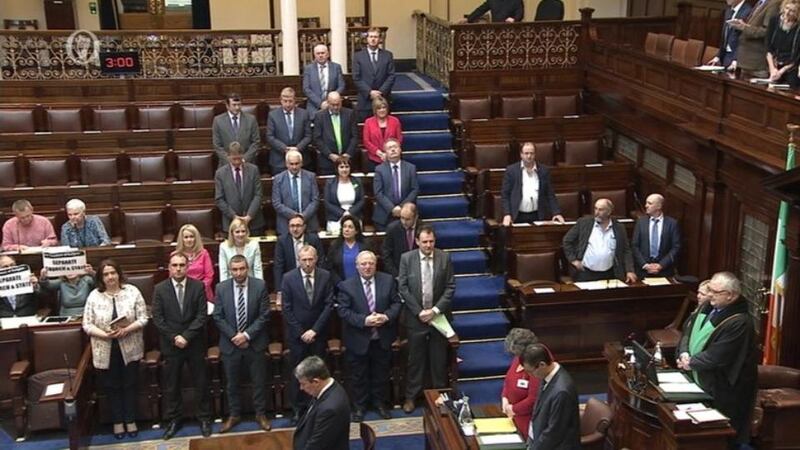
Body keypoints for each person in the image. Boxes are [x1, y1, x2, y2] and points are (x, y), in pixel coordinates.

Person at [676, 272, 758, 448]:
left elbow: (719, 355)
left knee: (720, 436)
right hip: (698, 375)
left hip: (723, 387)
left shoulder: (740, 322)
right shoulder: (706, 307)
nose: (710, 294)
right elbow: (687, 332)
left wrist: (691, 363)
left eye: (715, 292)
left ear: (731, 296)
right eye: (710, 290)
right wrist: (683, 353)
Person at [82, 259, 148, 440]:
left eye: (113, 273)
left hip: (130, 346)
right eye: (106, 274)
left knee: (130, 384)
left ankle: (130, 419)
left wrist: (127, 329)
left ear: (119, 274)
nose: (110, 277)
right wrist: (104, 335)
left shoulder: (132, 291)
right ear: (101, 278)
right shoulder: (94, 296)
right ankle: (118, 421)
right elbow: (87, 324)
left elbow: (144, 318)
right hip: (105, 348)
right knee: (112, 386)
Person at [152, 253, 212, 440]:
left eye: (182, 265)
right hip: (171, 345)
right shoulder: (160, 289)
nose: (178, 269)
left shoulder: (198, 286)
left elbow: (202, 315)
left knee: (201, 383)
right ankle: (174, 420)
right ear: (169, 267)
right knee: (172, 385)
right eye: (175, 265)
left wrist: (186, 336)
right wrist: (174, 337)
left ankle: (204, 418)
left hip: (194, 343)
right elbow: (158, 318)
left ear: (187, 267)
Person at [337, 250, 401, 422]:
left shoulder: (388, 280)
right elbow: (343, 311)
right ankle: (359, 407)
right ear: (357, 266)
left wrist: (386, 316)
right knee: (358, 375)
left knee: (381, 373)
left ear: (376, 264)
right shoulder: (346, 286)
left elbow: (396, 303)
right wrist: (364, 320)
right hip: (358, 338)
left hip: (382, 337)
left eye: (370, 263)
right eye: (363, 264)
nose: (367, 267)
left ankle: (380, 404)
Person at [398, 225, 455, 414]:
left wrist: (435, 310)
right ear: (417, 241)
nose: (428, 245)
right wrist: (419, 312)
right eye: (425, 242)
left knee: (439, 360)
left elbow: (450, 287)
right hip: (416, 319)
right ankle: (411, 397)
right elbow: (403, 287)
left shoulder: (444, 257)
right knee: (415, 360)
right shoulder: (407, 259)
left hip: (438, 317)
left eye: (431, 241)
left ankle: (440, 396)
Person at [212, 255, 272, 433]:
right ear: (230, 270)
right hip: (230, 344)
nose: (238, 273)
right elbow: (218, 316)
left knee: (259, 381)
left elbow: (264, 315)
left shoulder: (259, 286)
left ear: (248, 268)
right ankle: (234, 415)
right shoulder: (221, 288)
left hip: (255, 342)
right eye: (235, 269)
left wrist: (246, 335)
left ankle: (260, 414)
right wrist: (234, 336)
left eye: (242, 269)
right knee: (232, 383)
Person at [280, 246, 335, 424]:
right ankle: (298, 408)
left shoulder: (325, 276)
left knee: (318, 373)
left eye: (311, 259)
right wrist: (301, 332)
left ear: (316, 258)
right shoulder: (288, 278)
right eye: (304, 260)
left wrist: (314, 330)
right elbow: (286, 308)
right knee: (298, 373)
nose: (308, 263)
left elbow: (328, 305)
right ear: (299, 260)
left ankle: (319, 406)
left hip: (318, 334)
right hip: (297, 336)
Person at [562, 198, 636, 283]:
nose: (596, 212)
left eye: (600, 210)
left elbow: (626, 250)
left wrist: (629, 270)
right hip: (586, 273)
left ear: (609, 212)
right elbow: (567, 240)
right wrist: (573, 260)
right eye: (595, 208)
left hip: (610, 274)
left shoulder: (619, 227)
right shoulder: (584, 223)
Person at [522, 343, 580, 450]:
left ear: (542, 365)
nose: (529, 375)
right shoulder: (547, 377)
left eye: (530, 371)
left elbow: (554, 432)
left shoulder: (562, 391)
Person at [292, 356, 351, 450]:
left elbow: (317, 445)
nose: (301, 388)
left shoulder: (330, 409)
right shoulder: (328, 387)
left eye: (303, 384)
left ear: (316, 382)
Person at [501, 142, 565, 226]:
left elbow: (550, 194)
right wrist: (507, 214)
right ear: (521, 154)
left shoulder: (544, 171)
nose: (529, 156)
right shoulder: (512, 171)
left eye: (531, 153)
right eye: (526, 153)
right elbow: (505, 195)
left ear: (535, 154)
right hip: (517, 216)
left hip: (538, 215)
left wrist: (556, 213)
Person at [214, 141, 265, 236]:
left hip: (253, 223)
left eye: (239, 158)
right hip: (231, 223)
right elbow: (219, 199)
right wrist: (234, 216)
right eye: (234, 159)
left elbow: (258, 195)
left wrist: (249, 216)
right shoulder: (220, 174)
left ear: (243, 155)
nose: (237, 162)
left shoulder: (253, 170)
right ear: (228, 156)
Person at [501, 328, 543, 440]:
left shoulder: (536, 367)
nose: (517, 357)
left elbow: (534, 399)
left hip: (528, 421)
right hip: (511, 416)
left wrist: (514, 409)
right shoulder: (519, 357)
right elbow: (508, 380)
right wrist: (505, 398)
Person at [372, 139, 419, 231]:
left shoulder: (411, 168)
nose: (393, 149)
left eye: (395, 147)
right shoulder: (379, 169)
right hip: (385, 215)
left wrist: (402, 207)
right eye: (389, 148)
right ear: (385, 152)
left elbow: (415, 190)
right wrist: (392, 208)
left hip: (407, 214)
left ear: (400, 150)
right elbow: (378, 193)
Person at [631, 194, 681, 279]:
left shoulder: (672, 224)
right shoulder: (641, 222)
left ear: (659, 206)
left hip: (665, 271)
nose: (646, 206)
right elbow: (634, 245)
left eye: (649, 203)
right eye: (646, 203)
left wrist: (661, 265)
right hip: (643, 271)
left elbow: (676, 247)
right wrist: (644, 265)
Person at [727, 0, 781, 78]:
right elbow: (753, 25)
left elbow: (767, 31)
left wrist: (744, 27)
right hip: (746, 60)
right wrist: (743, 24)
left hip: (756, 62)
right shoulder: (760, 2)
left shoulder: (774, 4)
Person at [273, 214, 324, 296]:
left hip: (311, 278)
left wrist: (320, 282)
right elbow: (278, 266)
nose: (295, 229)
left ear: (304, 227)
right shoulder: (282, 241)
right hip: (290, 281)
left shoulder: (313, 239)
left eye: (298, 226)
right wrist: (279, 290)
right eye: (292, 226)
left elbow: (321, 261)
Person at [352, 28, 396, 122]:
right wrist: (369, 92)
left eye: (375, 37)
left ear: (380, 39)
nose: (373, 39)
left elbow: (391, 76)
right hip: (365, 100)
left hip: (383, 100)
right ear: (367, 39)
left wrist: (381, 92)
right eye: (371, 36)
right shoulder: (358, 56)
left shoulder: (388, 55)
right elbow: (356, 77)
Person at [272, 150, 320, 235]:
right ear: (286, 164)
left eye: (297, 163)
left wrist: (303, 216)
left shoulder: (310, 177)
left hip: (309, 223)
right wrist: (295, 215)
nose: (294, 167)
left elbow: (315, 200)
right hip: (286, 225)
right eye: (291, 164)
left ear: (301, 163)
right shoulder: (278, 179)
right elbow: (277, 203)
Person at [267, 87, 313, 174]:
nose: (288, 104)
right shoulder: (273, 115)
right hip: (279, 161)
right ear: (281, 100)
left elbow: (308, 136)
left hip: (301, 159)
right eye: (285, 101)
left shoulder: (304, 114)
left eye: (290, 101)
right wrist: (285, 149)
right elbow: (270, 137)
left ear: (295, 100)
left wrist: (297, 148)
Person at [313, 92, 359, 176]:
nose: (336, 107)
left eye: (338, 104)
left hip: (347, 162)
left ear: (341, 102)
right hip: (327, 162)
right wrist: (330, 155)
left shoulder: (350, 114)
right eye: (333, 105)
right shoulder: (319, 116)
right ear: (328, 103)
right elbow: (317, 139)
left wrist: (348, 154)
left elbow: (355, 136)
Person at [212, 92, 261, 166]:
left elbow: (256, 142)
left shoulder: (251, 119)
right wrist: (229, 160)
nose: (237, 107)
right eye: (234, 105)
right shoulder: (218, 121)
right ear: (227, 105)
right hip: (226, 164)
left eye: (239, 105)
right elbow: (217, 145)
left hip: (247, 163)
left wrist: (244, 159)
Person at [323, 156, 365, 234]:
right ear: (337, 168)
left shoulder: (357, 181)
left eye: (347, 167)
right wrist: (343, 213)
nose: (344, 169)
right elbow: (327, 202)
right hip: (336, 218)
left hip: (354, 216)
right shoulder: (330, 183)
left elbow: (361, 200)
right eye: (341, 167)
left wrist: (350, 213)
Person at [173, 224, 215, 301]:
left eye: (192, 236)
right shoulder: (175, 255)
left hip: (203, 291)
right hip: (183, 291)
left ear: (196, 238)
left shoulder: (204, 253)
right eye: (186, 237)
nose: (189, 240)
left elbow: (209, 275)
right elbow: (173, 276)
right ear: (181, 239)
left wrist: (198, 289)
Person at [326, 216, 374, 282]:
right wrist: (340, 284)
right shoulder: (335, 246)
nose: (346, 230)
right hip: (341, 284)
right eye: (344, 227)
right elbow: (330, 268)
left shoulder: (366, 245)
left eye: (350, 227)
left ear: (356, 231)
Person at [302, 44, 346, 115]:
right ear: (314, 55)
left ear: (328, 54)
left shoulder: (336, 67)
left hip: (333, 106)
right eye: (318, 53)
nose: (320, 55)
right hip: (314, 108)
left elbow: (341, 86)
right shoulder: (308, 69)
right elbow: (306, 89)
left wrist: (331, 100)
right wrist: (320, 103)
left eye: (322, 53)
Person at [361, 97, 403, 171]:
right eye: (379, 108)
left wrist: (388, 153)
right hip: (374, 159)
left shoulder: (395, 121)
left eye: (384, 107)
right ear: (375, 110)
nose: (382, 110)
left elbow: (399, 139)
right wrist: (379, 153)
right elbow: (366, 141)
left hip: (393, 157)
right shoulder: (368, 122)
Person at [766, 0, 800, 86]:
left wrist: (781, 71)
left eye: (792, 11)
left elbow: (797, 56)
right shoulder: (774, 20)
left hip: (791, 68)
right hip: (774, 65)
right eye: (787, 8)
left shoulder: (798, 27)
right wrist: (772, 69)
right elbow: (768, 47)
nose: (787, 12)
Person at [218, 218, 263, 282]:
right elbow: (223, 271)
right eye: (237, 232)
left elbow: (257, 269)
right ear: (232, 233)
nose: (241, 234)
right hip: (231, 282)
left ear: (247, 232)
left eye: (243, 231)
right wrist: (224, 287)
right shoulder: (224, 247)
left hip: (250, 282)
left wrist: (260, 285)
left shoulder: (254, 245)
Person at [382, 203, 420, 278]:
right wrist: (396, 275)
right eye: (402, 218)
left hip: (418, 273)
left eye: (408, 219)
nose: (404, 222)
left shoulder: (423, 228)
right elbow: (386, 254)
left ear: (416, 217)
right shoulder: (392, 229)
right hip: (398, 272)